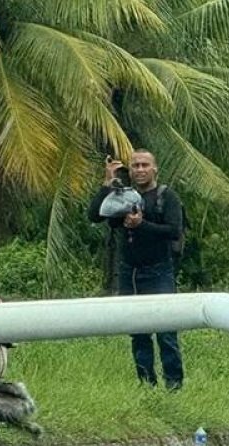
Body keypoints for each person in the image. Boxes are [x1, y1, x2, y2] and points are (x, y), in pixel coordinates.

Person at [87, 149, 184, 390]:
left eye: (144, 165)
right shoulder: (122, 197)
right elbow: (94, 216)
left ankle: (174, 386)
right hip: (129, 272)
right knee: (138, 333)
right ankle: (146, 385)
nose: (140, 170)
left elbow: (173, 231)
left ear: (154, 169)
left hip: (159, 271)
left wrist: (142, 225)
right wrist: (106, 184)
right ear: (129, 170)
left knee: (166, 333)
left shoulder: (166, 197)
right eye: (135, 166)